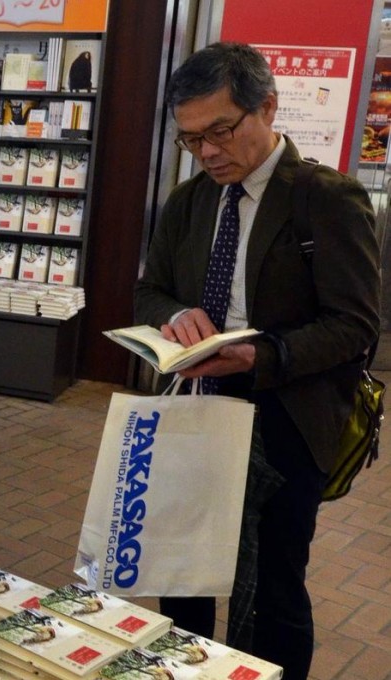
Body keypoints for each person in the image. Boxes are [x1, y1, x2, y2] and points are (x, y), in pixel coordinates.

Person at [134, 43, 379, 680]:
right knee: (180, 569)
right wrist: (176, 315)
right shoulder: (189, 201)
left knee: (273, 582)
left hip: (287, 414)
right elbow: (150, 287)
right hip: (195, 410)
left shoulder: (328, 199)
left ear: (266, 107)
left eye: (221, 130)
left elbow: (355, 327)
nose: (209, 151)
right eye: (192, 139)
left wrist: (260, 354)